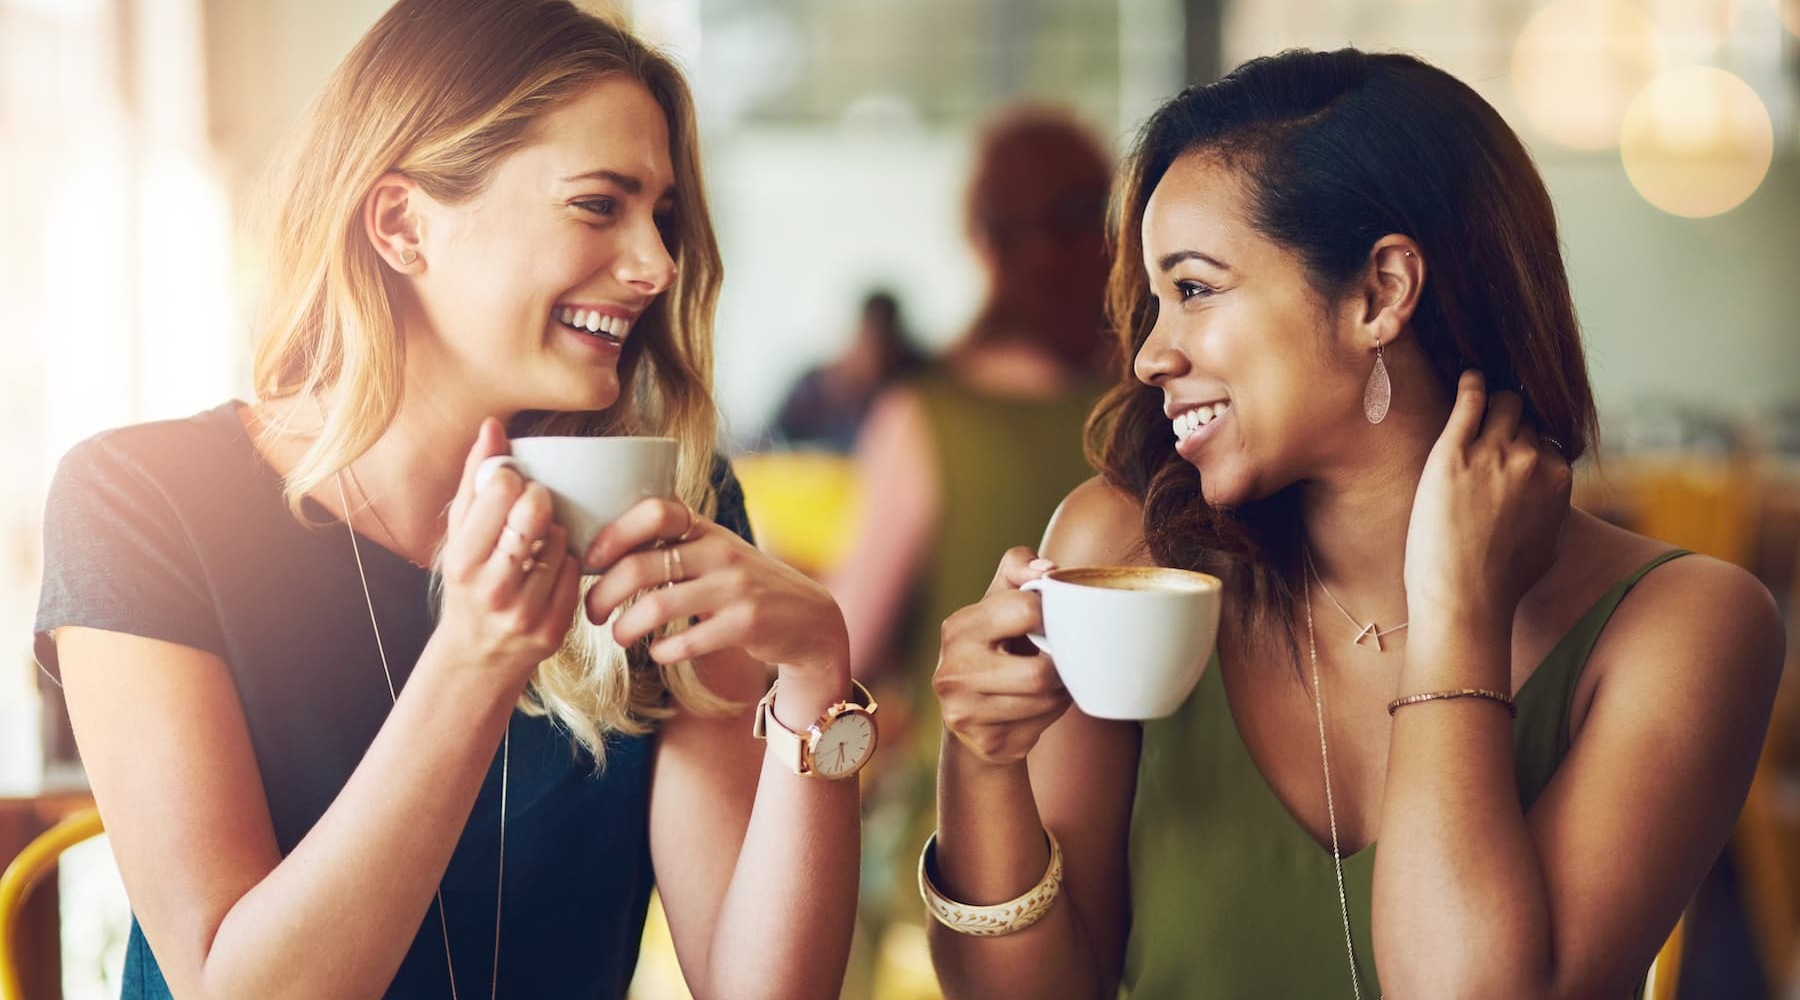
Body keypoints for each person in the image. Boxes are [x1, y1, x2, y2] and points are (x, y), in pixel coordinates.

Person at [33, 3, 866, 998]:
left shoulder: (669, 507)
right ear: (401, 225)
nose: (657, 264)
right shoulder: (141, 500)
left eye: (664, 217)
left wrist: (815, 678)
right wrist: (473, 658)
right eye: (600, 205)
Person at [922, 49, 1784, 999]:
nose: (1150, 357)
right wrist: (983, 763)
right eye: (1154, 302)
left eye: (1197, 289)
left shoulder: (1686, 629)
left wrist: (1457, 615)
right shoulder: (1123, 561)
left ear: (1380, 291)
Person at [826, 105, 1112, 993]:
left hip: (967, 839)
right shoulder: (1145, 412)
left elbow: (848, 642)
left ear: (980, 238)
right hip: (1139, 825)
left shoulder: (927, 415)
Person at [769, 290, 927, 453]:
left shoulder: (905, 391)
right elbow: (772, 439)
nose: (875, 357)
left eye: (884, 348)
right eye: (870, 346)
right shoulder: (815, 388)